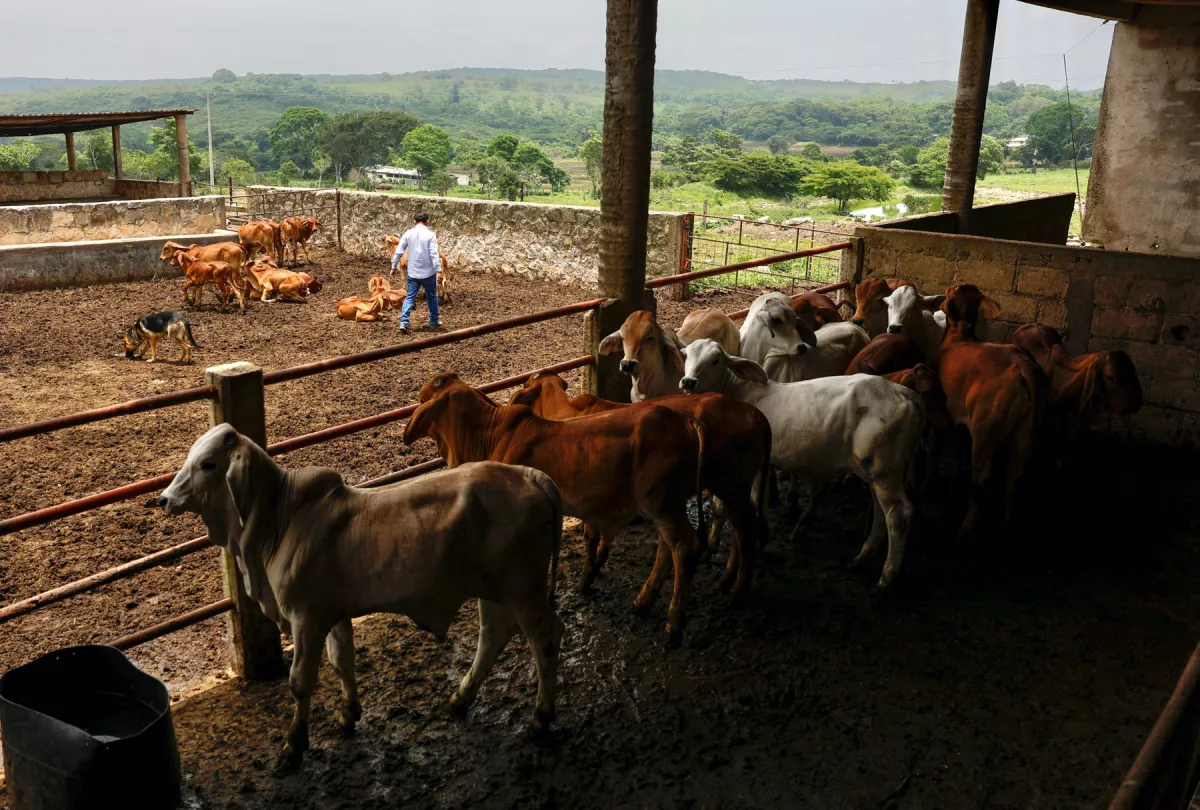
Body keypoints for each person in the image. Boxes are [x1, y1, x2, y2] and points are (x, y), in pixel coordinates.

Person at [390, 212, 442, 335]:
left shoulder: (408, 234)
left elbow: (398, 251)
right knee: (432, 296)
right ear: (427, 221)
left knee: (410, 297)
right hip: (428, 273)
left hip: (413, 273)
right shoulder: (430, 235)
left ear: (414, 221)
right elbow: (434, 254)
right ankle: (434, 320)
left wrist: (393, 266)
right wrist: (438, 270)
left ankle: (404, 322)